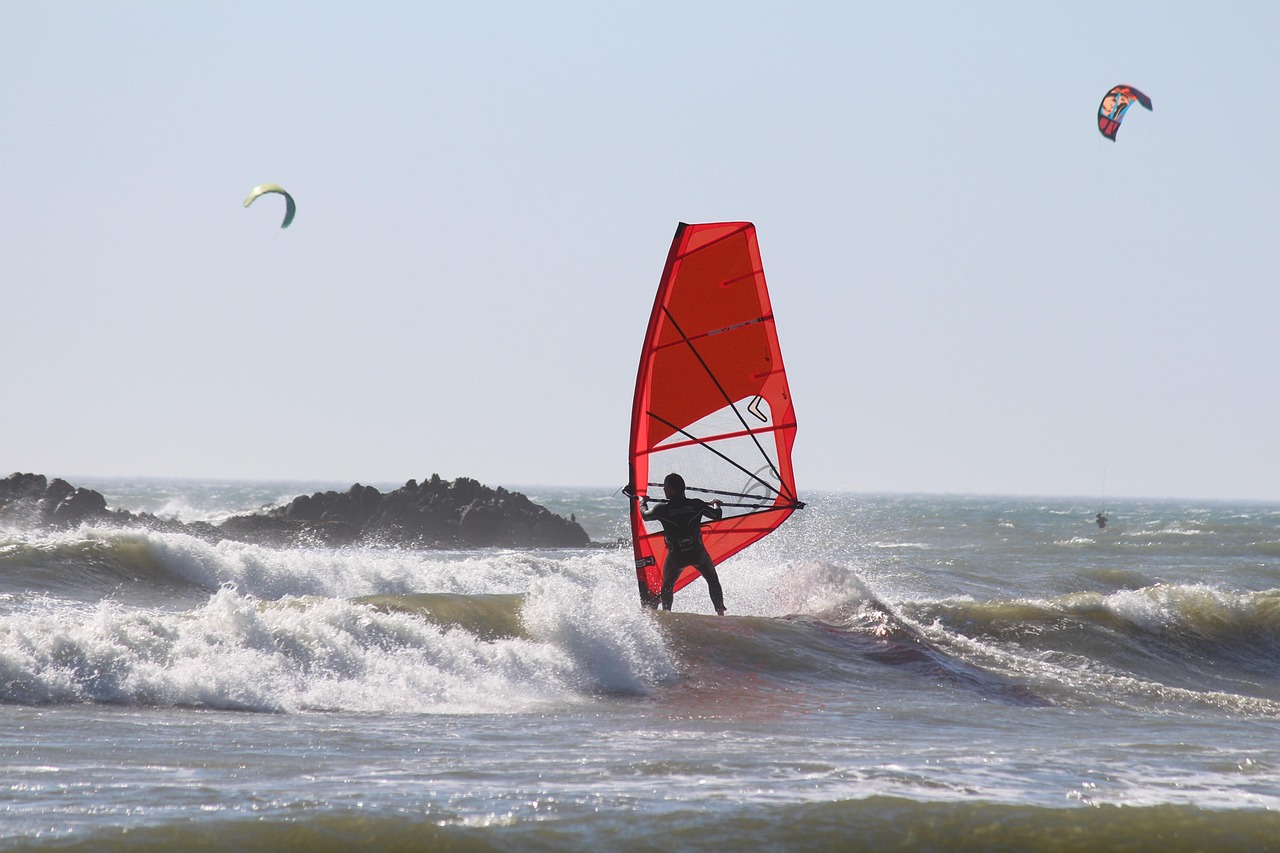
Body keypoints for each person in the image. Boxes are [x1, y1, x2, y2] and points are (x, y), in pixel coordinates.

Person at [638, 473, 726, 614]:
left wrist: (642, 502)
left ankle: (667, 614)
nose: (664, 490)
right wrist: (716, 503)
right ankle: (720, 612)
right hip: (698, 554)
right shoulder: (696, 504)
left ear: (671, 490)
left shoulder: (662, 509)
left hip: (676, 557)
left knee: (667, 586)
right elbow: (717, 515)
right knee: (713, 581)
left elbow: (645, 516)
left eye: (665, 487)